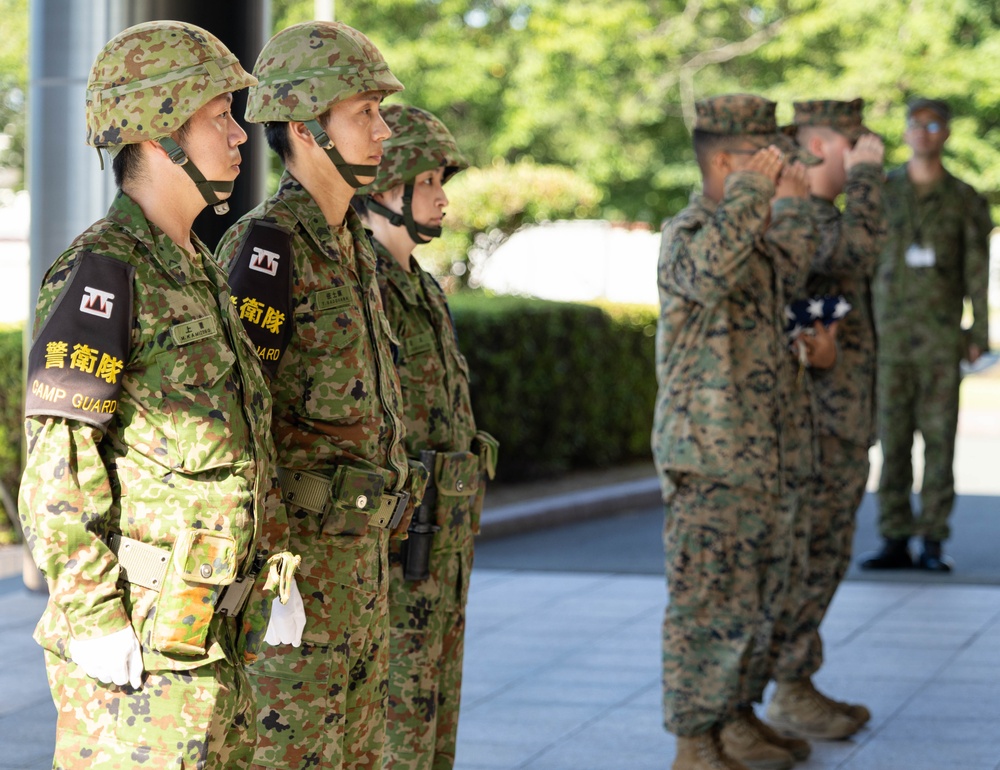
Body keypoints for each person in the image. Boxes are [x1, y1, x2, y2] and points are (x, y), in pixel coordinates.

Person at [17, 21, 299, 768]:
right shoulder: (106, 271)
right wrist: (92, 616)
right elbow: (57, 467)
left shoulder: (196, 268)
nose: (240, 136)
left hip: (209, 634)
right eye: (218, 119)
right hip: (139, 646)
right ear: (156, 132)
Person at [217, 21, 423, 770]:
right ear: (304, 127)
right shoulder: (266, 250)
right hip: (296, 582)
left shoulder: (352, 248)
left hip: (360, 573)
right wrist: (266, 573)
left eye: (380, 111)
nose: (383, 129)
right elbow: (238, 427)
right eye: (363, 112)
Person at [652, 93, 820, 770]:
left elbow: (793, 268)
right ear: (725, 161)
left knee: (755, 602)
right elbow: (710, 273)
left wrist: (800, 205)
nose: (780, 164)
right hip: (707, 458)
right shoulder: (690, 234)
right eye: (763, 153)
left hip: (759, 457)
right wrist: (754, 191)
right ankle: (695, 738)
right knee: (706, 608)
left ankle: (735, 717)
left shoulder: (749, 235)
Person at [352, 104, 499, 770]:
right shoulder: (363, 282)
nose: (442, 198)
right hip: (396, 546)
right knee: (394, 723)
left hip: (440, 547)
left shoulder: (421, 286)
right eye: (429, 180)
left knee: (432, 713)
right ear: (386, 188)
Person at [766, 99, 887, 741]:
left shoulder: (818, 219)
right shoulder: (805, 220)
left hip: (838, 422)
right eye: (854, 144)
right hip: (813, 427)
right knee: (807, 556)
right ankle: (785, 685)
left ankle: (795, 679)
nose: (867, 154)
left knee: (827, 554)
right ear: (818, 146)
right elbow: (859, 253)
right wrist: (867, 180)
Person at [862, 97, 992, 572]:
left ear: (946, 133)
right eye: (915, 124)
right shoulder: (882, 191)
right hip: (889, 337)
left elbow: (977, 269)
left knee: (939, 443)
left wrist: (978, 328)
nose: (923, 132)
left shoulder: (963, 198)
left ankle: (933, 538)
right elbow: (862, 263)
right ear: (905, 132)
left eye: (933, 124)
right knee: (892, 441)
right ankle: (894, 535)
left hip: (939, 340)